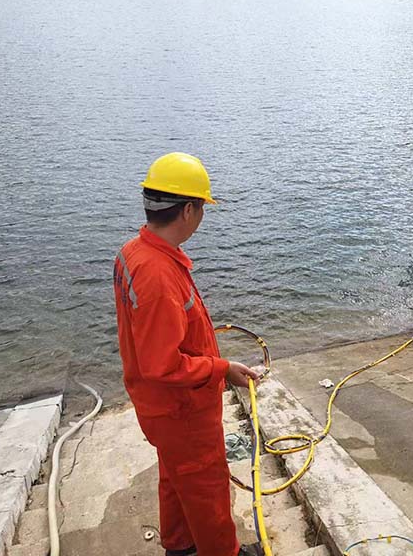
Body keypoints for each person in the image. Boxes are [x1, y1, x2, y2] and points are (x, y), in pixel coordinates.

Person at [113, 152, 263, 556]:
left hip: (159, 407)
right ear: (190, 209)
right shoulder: (159, 275)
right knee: (207, 490)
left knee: (175, 479)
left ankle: (180, 547)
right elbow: (162, 363)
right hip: (182, 411)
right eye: (202, 208)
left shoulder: (133, 252)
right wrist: (222, 367)